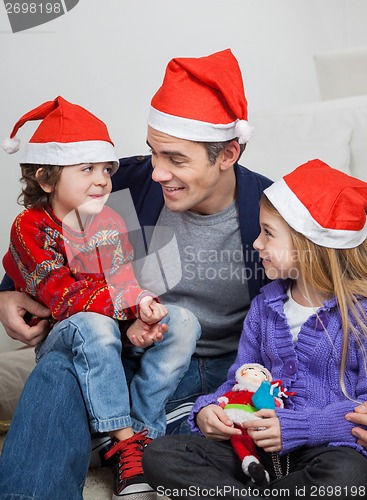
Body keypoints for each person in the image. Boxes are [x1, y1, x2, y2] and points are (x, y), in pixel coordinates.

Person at [0, 48, 262, 500]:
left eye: (176, 159)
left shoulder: (267, 211)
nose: (157, 172)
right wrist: (6, 293)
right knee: (62, 366)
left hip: (224, 369)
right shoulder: (125, 184)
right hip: (134, 351)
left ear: (228, 153)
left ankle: (134, 443)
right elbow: (45, 237)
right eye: (152, 152)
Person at [1, 95, 203, 499]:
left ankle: (143, 437)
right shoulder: (31, 227)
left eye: (106, 169)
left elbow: (122, 279)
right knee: (92, 323)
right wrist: (123, 305)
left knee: (183, 322)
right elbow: (61, 296)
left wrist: (141, 313)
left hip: (111, 329)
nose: (103, 179)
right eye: (87, 169)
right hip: (67, 332)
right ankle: (120, 437)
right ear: (45, 179)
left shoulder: (109, 220)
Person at [142, 159, 367, 499]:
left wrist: (298, 427)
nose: (257, 243)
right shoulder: (266, 305)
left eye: (268, 233)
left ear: (309, 245)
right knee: (161, 456)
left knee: (349, 475)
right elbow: (241, 378)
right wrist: (209, 411)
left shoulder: (359, 316)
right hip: (254, 451)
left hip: (323, 449)